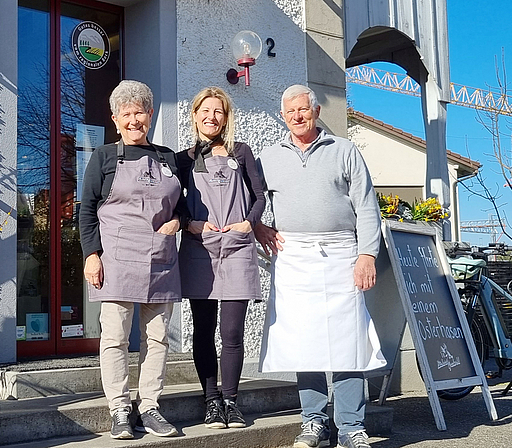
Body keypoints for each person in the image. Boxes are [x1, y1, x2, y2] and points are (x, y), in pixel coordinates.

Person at [255, 84, 386, 448]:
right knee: (304, 341)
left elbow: (365, 206)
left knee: (348, 342)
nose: (298, 116)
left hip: (343, 254)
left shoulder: (344, 150)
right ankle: (313, 422)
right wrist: (258, 226)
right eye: (290, 111)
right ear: (283, 116)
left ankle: (350, 427)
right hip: (294, 257)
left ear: (315, 111)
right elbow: (249, 199)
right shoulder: (268, 157)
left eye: (304, 109)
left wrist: (367, 254)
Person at [79, 80, 186, 440]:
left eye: (139, 112)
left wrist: (179, 221)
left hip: (161, 258)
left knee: (158, 339)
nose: (134, 119)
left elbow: (184, 206)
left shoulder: (168, 157)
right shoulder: (105, 157)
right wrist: (91, 255)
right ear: (115, 119)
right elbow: (87, 209)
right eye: (126, 114)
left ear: (150, 114)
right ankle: (120, 409)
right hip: (119, 258)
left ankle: (150, 406)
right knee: (115, 339)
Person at [177, 87, 265, 429]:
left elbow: (259, 196)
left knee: (232, 332)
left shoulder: (240, 152)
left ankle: (231, 401)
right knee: (203, 330)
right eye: (206, 111)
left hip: (238, 249)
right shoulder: (184, 158)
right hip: (201, 249)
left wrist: (249, 223)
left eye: (219, 112)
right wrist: (192, 223)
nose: (212, 117)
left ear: (226, 118)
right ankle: (211, 400)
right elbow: (175, 202)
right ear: (195, 114)